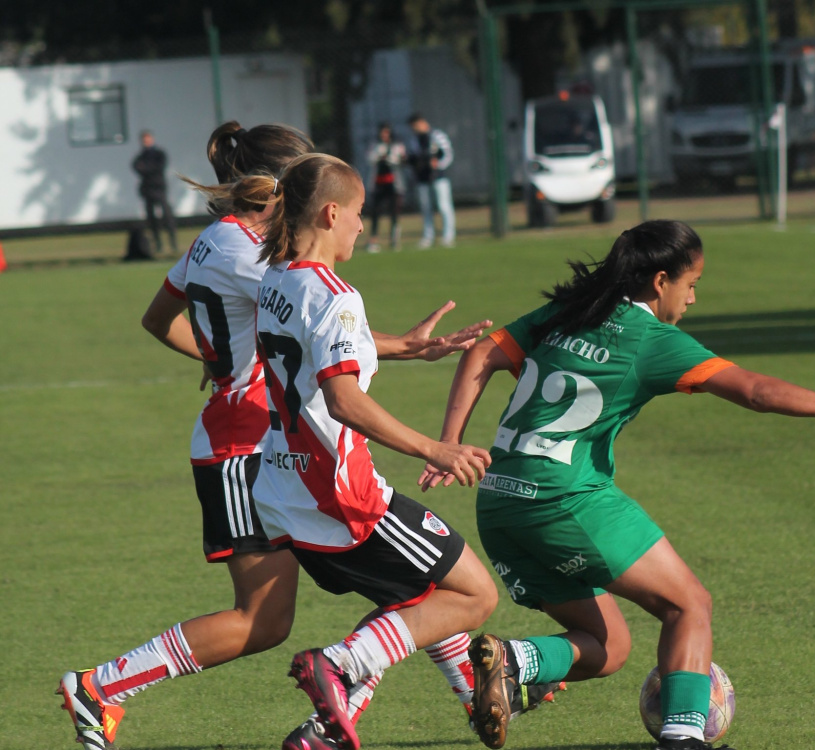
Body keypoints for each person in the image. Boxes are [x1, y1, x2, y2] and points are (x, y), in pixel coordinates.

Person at [57, 123, 491, 750]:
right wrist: (234, 372)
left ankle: (449, 695)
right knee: (261, 620)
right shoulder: (255, 255)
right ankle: (101, 688)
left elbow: (163, 318)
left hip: (265, 447)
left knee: (396, 580)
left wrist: (223, 362)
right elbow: (315, 326)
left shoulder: (217, 240)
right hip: (248, 449)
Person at [419, 220, 815, 750]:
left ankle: (515, 660)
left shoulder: (569, 312)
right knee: (688, 605)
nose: (693, 297)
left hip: (500, 502)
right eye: (692, 283)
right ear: (661, 281)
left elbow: (481, 353)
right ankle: (683, 737)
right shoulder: (650, 339)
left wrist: (449, 443)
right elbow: (756, 391)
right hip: (563, 498)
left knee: (609, 646)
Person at [244, 152, 497, 749]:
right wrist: (434, 448)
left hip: (282, 488)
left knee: (409, 597)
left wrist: (407, 346)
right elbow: (343, 400)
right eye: (358, 213)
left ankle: (325, 733)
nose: (363, 225)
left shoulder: (276, 276)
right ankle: (335, 666)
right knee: (474, 594)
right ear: (332, 213)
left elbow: (316, 344)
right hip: (341, 496)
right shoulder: (336, 294)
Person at [408, 113, 455, 248]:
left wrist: (438, 164)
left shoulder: (437, 135)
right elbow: (412, 157)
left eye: (415, 125)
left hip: (439, 177)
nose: (415, 129)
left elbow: (448, 154)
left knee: (444, 206)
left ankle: (448, 236)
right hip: (422, 178)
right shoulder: (414, 140)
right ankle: (428, 236)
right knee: (425, 207)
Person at [132, 129, 179, 254]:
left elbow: (158, 167)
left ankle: (173, 242)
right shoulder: (140, 156)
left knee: (167, 215)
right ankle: (158, 243)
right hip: (147, 189)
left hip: (159, 188)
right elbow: (136, 167)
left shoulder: (159, 154)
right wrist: (148, 169)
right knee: (151, 218)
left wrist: (146, 168)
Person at [365, 122, 406, 252]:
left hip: (393, 184)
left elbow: (401, 159)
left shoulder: (397, 145)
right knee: (375, 212)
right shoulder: (375, 146)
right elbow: (370, 158)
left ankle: (394, 239)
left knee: (394, 213)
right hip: (378, 184)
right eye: (382, 132)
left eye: (386, 132)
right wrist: (380, 156)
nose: (384, 135)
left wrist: (391, 158)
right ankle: (373, 240)